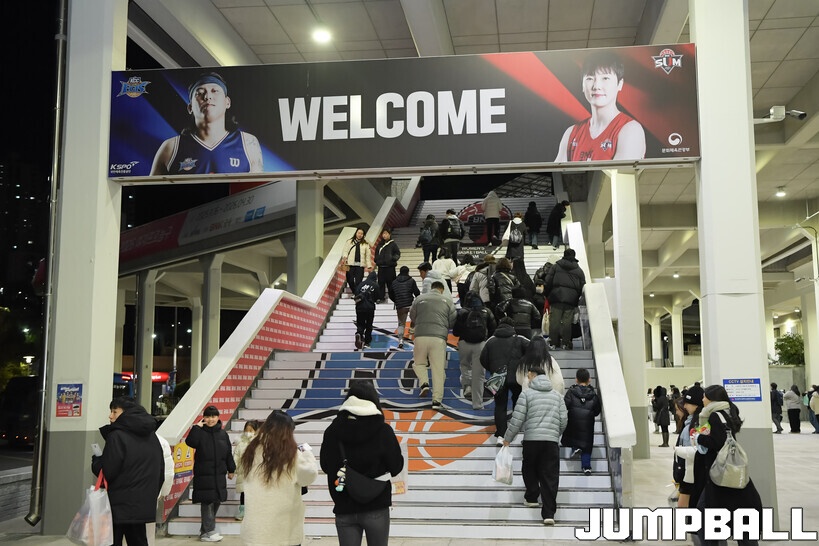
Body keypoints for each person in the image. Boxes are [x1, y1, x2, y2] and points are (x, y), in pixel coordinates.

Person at [320, 381, 404, 546]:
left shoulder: (332, 431)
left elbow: (325, 465)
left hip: (344, 506)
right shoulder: (383, 431)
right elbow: (396, 467)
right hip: (376, 506)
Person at [690, 385, 763, 546]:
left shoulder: (714, 415)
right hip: (730, 471)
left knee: (705, 514)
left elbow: (718, 442)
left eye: (704, 396)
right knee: (740, 517)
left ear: (712, 398)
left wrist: (698, 438)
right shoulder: (729, 411)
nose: (702, 399)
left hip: (720, 470)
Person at [150, 72, 263, 175]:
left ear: (227, 102)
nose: (207, 96)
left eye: (215, 91)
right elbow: (150, 189)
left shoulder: (248, 143)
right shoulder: (171, 147)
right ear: (190, 108)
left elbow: (257, 188)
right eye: (199, 93)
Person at [502, 358, 567, 526]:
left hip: (531, 440)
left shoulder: (526, 395)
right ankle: (549, 514)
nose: (528, 378)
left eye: (529, 376)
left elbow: (517, 419)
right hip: (551, 442)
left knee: (529, 469)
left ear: (532, 375)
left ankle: (531, 497)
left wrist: (508, 438)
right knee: (550, 476)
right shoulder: (557, 396)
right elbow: (564, 420)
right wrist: (555, 433)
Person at [91, 397, 164, 546]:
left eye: (114, 412)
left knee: (111, 541)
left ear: (126, 413)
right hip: (142, 503)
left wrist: (97, 462)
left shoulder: (117, 435)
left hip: (119, 504)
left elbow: (109, 471)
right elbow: (160, 468)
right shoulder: (152, 435)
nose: (110, 416)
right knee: (138, 541)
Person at [240, 410, 318, 546]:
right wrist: (307, 454)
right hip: (283, 531)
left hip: (256, 530)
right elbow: (308, 476)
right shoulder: (291, 454)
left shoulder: (251, 450)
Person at [553, 50, 646, 163]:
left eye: (605, 78)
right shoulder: (571, 133)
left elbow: (621, 172)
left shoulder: (630, 129)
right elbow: (557, 172)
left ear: (620, 84)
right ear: (582, 85)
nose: (597, 86)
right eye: (590, 78)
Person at [186, 405, 237, 542]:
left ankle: (205, 532)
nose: (210, 419)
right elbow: (190, 442)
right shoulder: (200, 433)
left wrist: (231, 469)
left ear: (218, 417)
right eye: (207, 416)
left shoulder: (223, 434)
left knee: (216, 501)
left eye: (213, 416)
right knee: (207, 503)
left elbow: (228, 454)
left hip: (219, 475)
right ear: (203, 418)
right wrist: (196, 428)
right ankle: (209, 531)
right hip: (204, 475)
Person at [480, 317, 530, 445]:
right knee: (518, 403)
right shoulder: (520, 339)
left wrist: (493, 370)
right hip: (516, 377)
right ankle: (517, 430)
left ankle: (501, 436)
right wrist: (524, 368)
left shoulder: (490, 341)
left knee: (500, 406)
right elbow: (533, 350)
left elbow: (483, 359)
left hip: (498, 378)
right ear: (512, 326)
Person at [409, 281, 457, 410]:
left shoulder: (419, 299)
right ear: (441, 290)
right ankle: (436, 401)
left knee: (419, 363)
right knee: (438, 370)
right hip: (438, 338)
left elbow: (412, 316)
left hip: (420, 336)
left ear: (432, 288)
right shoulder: (448, 301)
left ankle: (424, 383)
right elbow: (452, 321)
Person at [453, 290, 496, 409]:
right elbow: (493, 329)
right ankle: (477, 404)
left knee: (465, 365)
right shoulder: (486, 311)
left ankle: (467, 386)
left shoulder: (463, 312)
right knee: (479, 375)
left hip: (464, 343)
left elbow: (456, 332)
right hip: (480, 345)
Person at [542, 248, 586, 350]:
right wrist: (576, 297)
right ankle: (566, 343)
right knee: (567, 322)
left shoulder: (555, 267)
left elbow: (548, 281)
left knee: (554, 321)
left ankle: (553, 343)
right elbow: (582, 286)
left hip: (556, 297)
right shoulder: (579, 271)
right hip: (571, 300)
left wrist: (547, 294)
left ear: (564, 255)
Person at [562, 368, 600, 476]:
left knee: (574, 436)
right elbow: (597, 410)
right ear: (589, 379)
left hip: (574, 420)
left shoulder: (571, 392)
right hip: (588, 422)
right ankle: (586, 467)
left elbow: (565, 405)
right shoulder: (593, 394)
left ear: (576, 379)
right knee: (587, 444)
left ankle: (576, 448)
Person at [673, 385, 704, 509]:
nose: (685, 406)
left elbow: (689, 455)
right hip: (691, 475)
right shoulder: (691, 424)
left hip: (690, 475)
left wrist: (680, 477)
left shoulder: (693, 426)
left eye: (687, 403)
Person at [233, 419, 260, 521]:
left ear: (256, 431)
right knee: (244, 493)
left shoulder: (259, 444)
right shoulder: (240, 444)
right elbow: (235, 458)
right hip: (243, 473)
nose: (248, 432)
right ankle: (242, 512)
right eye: (246, 430)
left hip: (256, 474)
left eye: (251, 430)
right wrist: (233, 470)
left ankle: (255, 513)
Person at [391, 266, 420, 349]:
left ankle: (400, 341)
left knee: (401, 324)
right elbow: (417, 293)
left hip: (400, 306)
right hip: (410, 304)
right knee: (416, 318)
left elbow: (391, 294)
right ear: (408, 272)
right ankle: (412, 328)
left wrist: (396, 301)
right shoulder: (411, 280)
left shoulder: (394, 282)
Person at [354, 271, 380, 350]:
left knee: (360, 323)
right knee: (369, 325)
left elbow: (356, 295)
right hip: (369, 308)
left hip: (360, 307)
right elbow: (377, 297)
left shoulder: (361, 284)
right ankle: (367, 342)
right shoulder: (375, 285)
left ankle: (359, 334)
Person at [342, 228, 372, 295]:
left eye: (361, 234)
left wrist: (369, 266)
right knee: (350, 280)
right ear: (356, 233)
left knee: (358, 282)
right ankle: (356, 293)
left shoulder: (365, 244)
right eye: (359, 233)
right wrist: (345, 256)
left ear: (363, 235)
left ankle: (356, 294)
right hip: (350, 265)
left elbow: (368, 256)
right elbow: (345, 251)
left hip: (360, 266)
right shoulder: (349, 242)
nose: (360, 235)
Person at [373, 228, 400, 303]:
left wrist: (393, 259)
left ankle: (393, 298)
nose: (384, 235)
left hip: (390, 267)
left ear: (389, 234)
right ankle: (381, 297)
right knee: (381, 283)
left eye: (386, 233)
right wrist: (377, 260)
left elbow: (397, 253)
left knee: (391, 283)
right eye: (383, 234)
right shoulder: (379, 244)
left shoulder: (393, 244)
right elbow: (376, 253)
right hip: (381, 267)